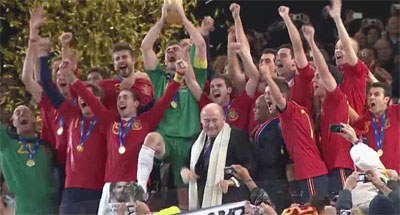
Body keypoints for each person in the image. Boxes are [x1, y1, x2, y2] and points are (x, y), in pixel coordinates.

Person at [64, 58, 186, 215]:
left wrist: (178, 77)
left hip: (133, 185)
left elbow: (164, 100)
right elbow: (90, 99)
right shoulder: (110, 121)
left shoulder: (146, 120)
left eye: (125, 97)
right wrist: (72, 78)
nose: (120, 100)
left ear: (136, 103)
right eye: (119, 98)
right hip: (111, 186)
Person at [137, 3, 207, 208]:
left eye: (175, 49)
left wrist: (183, 17)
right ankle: (140, 186)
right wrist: (162, 19)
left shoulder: (197, 78)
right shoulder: (159, 80)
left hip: (192, 142)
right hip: (167, 141)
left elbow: (201, 45)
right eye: (168, 51)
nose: (171, 52)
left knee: (186, 199)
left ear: (185, 56)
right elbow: (145, 47)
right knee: (151, 138)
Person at [40, 52, 107, 213]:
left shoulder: (106, 121)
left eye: (88, 95)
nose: (82, 98)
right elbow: (48, 87)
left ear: (97, 100)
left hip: (97, 191)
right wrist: (42, 56)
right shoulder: (72, 115)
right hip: (71, 190)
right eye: (81, 95)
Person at [261, 63, 328, 204]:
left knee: (314, 212)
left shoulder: (290, 112)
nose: (265, 97)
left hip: (310, 171)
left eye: (269, 93)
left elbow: (279, 100)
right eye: (265, 93)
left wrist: (268, 77)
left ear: (283, 95)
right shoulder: (300, 111)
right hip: (311, 170)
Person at [303, 25, 354, 196]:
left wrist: (311, 42)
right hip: (330, 168)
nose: (314, 81)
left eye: (318, 77)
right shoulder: (322, 107)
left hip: (341, 165)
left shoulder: (336, 99)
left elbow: (324, 70)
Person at [181, 103, 255, 210]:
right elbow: (186, 163)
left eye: (215, 120)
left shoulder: (237, 136)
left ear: (223, 119)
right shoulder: (197, 140)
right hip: (202, 202)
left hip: (230, 199)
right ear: (201, 121)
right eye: (206, 121)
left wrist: (232, 181)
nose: (211, 125)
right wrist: (185, 171)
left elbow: (250, 166)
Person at [0, 105, 59, 214]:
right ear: (13, 123)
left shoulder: (45, 147)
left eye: (26, 112)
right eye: (17, 113)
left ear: (33, 119)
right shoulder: (7, 144)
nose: (22, 114)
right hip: (25, 208)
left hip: (49, 207)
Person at [249, 95, 292, 213]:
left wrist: (251, 153)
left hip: (274, 181)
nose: (254, 110)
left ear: (268, 108)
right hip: (265, 180)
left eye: (257, 107)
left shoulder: (275, 125)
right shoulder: (263, 126)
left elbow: (271, 157)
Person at [327, 0, 369, 115]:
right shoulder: (339, 73)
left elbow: (348, 46)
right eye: (336, 48)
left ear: (354, 53)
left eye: (342, 48)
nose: (337, 51)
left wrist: (337, 19)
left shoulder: (357, 71)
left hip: (355, 128)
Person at [352, 82, 399, 173]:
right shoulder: (363, 121)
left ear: (386, 99)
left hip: (397, 173)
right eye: (370, 95)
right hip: (376, 175)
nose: (372, 97)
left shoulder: (396, 112)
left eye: (377, 94)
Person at [277, 6, 316, 115]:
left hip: (301, 129)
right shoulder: (275, 86)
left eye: (283, 55)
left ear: (294, 62)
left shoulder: (303, 78)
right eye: (277, 57)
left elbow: (298, 47)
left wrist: (286, 18)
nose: (278, 59)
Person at [99, 42, 155, 113]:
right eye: (117, 59)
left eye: (124, 57)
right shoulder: (105, 86)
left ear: (133, 60)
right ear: (114, 65)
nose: (121, 61)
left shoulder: (146, 83)